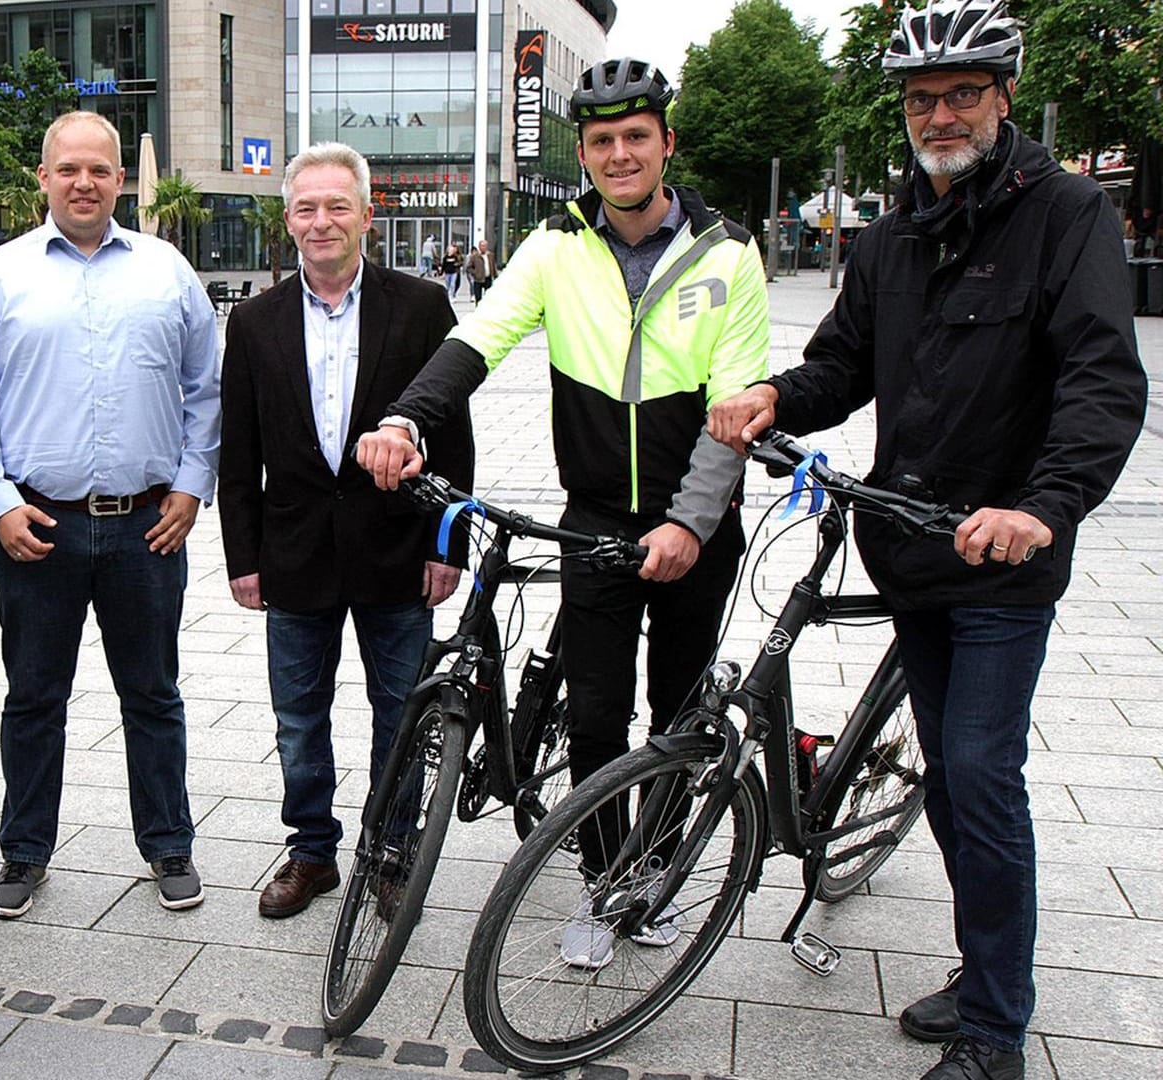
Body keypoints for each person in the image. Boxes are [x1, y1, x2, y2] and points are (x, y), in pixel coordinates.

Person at [708, 5, 1145, 1078]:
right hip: (909, 548)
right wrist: (774, 395)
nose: (938, 115)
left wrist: (1045, 506)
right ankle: (981, 968)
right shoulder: (895, 233)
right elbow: (843, 362)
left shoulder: (1070, 213)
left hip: (1003, 562)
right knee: (949, 779)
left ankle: (998, 1027)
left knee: (980, 776)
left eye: (960, 94)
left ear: (1003, 95)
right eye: (919, 99)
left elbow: (1102, 379)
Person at [355, 57, 770, 969]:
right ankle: (600, 879)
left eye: (635, 137)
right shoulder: (554, 244)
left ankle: (653, 875)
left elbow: (736, 408)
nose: (619, 155)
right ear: (582, 154)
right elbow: (480, 337)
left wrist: (690, 524)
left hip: (694, 522)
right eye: (601, 143)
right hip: (594, 519)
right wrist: (403, 415)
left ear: (666, 143)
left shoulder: (731, 252)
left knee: (676, 711)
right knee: (595, 714)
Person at [0, 110, 220, 918]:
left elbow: (207, 389)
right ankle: (24, 853)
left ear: (120, 180)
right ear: (43, 178)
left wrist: (192, 484)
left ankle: (169, 844)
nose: (85, 182)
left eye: (100, 169)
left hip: (147, 525)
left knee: (154, 695)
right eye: (68, 169)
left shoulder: (168, 271)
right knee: (34, 696)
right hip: (38, 527)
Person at [218, 143, 474, 919]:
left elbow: (454, 437)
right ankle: (312, 852)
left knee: (401, 713)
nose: (321, 221)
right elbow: (240, 452)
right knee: (299, 717)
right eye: (306, 207)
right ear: (288, 219)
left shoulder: (422, 307)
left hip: (398, 550)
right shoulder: (256, 321)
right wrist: (242, 557)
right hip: (293, 555)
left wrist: (447, 545)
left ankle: (390, 853)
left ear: (368, 213)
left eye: (337, 206)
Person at [466, 240, 493, 304]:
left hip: (488, 278)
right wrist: (475, 272)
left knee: (488, 297)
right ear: (479, 247)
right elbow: (469, 267)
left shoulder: (490, 255)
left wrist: (494, 274)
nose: (484, 247)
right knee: (478, 297)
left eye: (485, 246)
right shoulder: (475, 256)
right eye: (482, 246)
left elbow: (493, 265)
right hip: (478, 279)